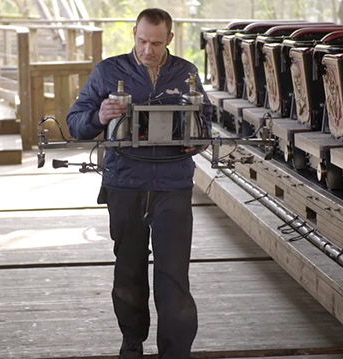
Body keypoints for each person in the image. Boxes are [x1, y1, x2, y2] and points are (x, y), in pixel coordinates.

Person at [66, 8, 212, 359]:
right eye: (142, 40)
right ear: (134, 33)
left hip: (173, 185)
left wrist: (199, 138)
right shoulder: (108, 70)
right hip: (125, 184)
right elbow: (75, 123)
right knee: (129, 270)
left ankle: (176, 352)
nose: (148, 49)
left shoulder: (186, 72)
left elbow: (205, 120)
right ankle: (132, 341)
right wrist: (98, 116)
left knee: (174, 274)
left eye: (157, 43)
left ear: (170, 40)